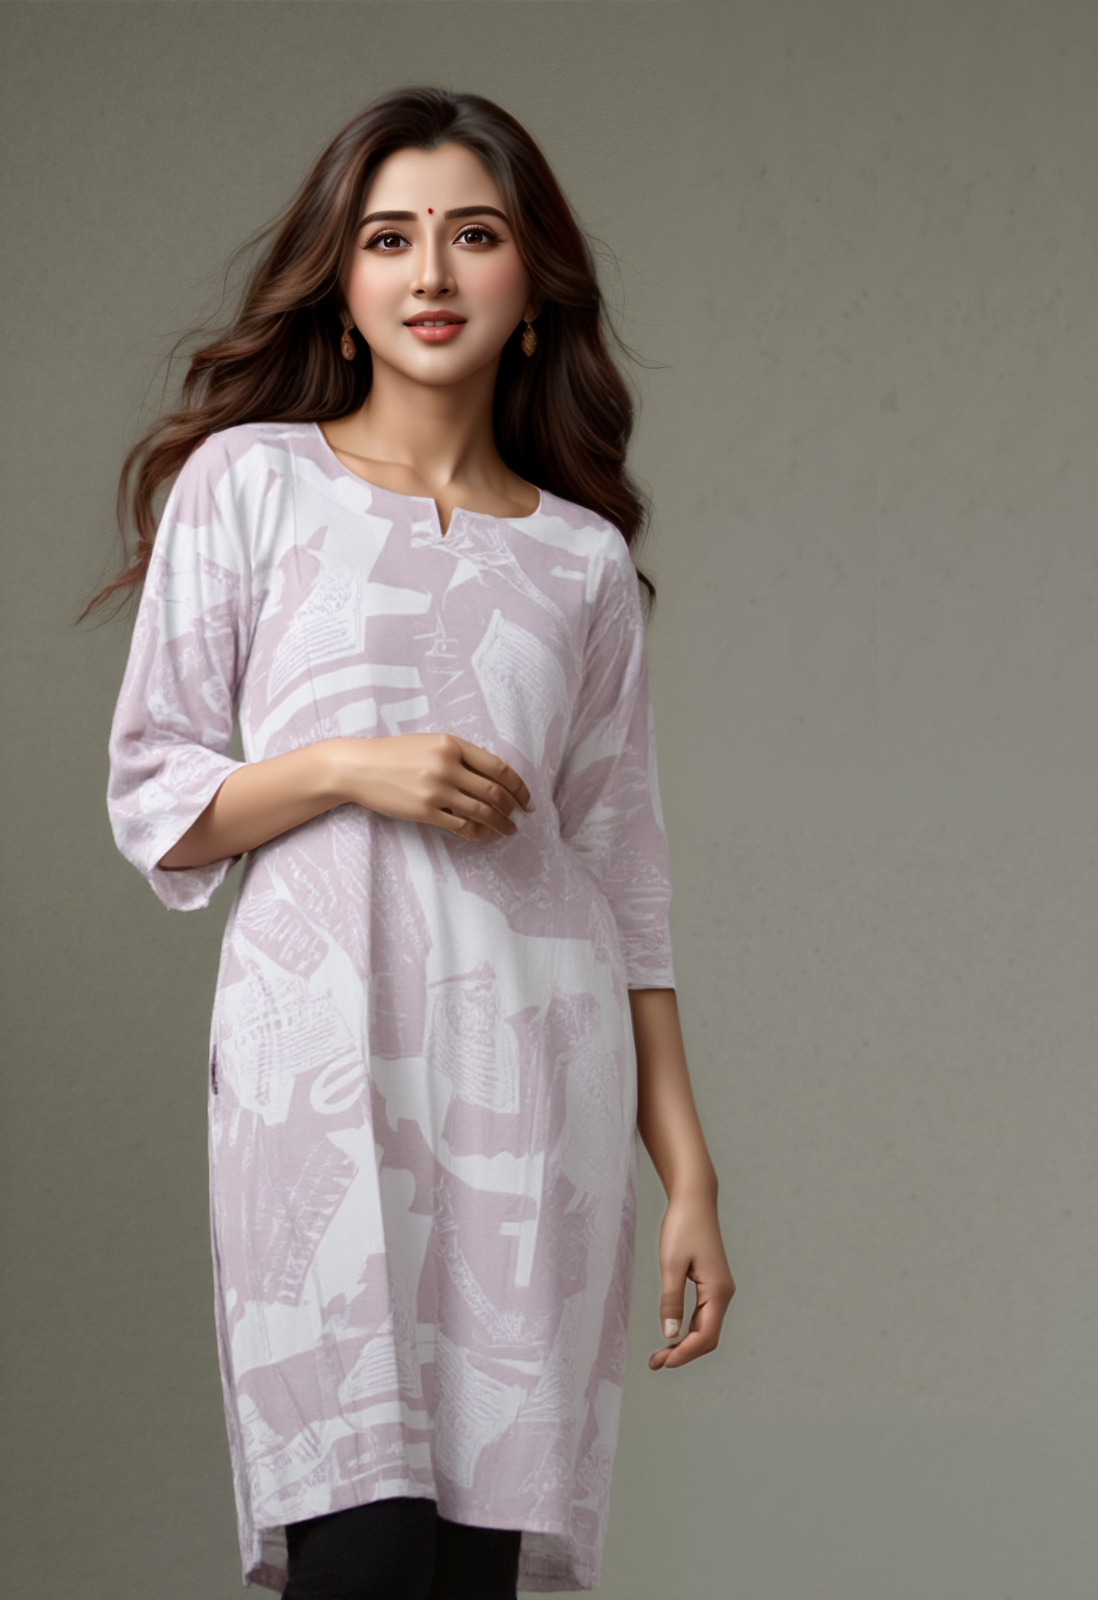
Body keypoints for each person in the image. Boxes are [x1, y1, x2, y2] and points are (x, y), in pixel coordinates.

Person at [91, 86, 735, 1599]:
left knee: (469, 1564)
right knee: (359, 1545)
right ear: (342, 284)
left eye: (473, 236)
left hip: (536, 1080)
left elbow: (623, 873)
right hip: (318, 1064)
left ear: (533, 289)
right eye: (389, 239)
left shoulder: (580, 561)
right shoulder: (249, 485)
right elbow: (154, 788)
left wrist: (690, 1173)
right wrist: (344, 767)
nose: (430, 272)